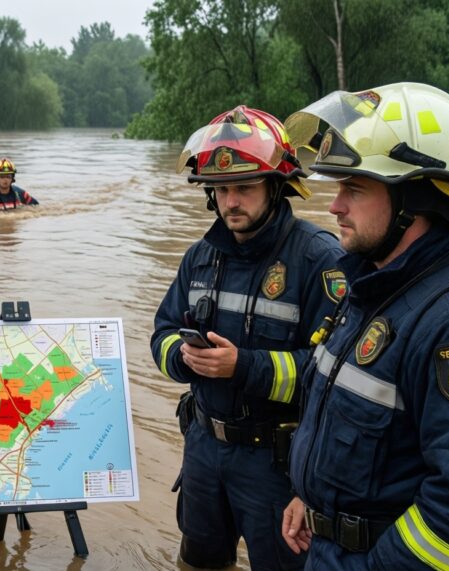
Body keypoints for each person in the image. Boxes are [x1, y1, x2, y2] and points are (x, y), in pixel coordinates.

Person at [279, 82, 449, 569]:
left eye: (354, 189)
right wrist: (310, 495)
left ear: (414, 200)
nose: (334, 206)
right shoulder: (372, 286)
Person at [150, 106, 346, 570]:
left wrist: (243, 366)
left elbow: (338, 377)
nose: (230, 201)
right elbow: (161, 333)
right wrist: (181, 357)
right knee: (198, 563)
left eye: (244, 187)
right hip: (203, 448)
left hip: (276, 465)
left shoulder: (320, 260)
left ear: (276, 186)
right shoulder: (199, 257)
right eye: (220, 190)